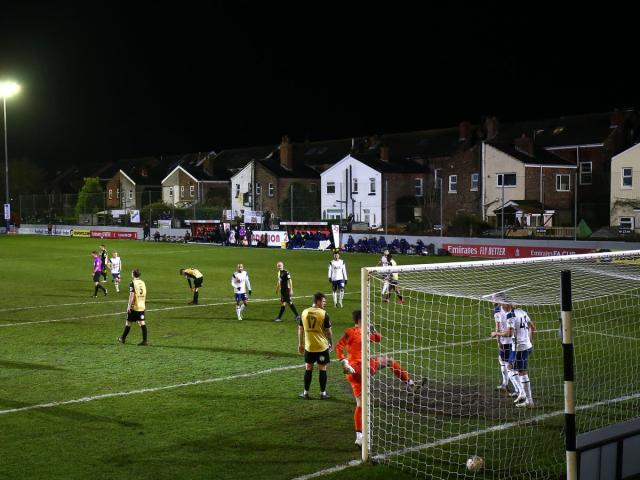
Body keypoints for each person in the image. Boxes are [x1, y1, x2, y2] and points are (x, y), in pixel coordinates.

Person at [336, 310, 414, 447]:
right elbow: (339, 346)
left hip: (352, 374)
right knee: (389, 360)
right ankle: (409, 382)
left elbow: (378, 339)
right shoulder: (351, 332)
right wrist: (344, 362)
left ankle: (359, 437)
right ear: (361, 319)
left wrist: (373, 329)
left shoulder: (361, 332)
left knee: (360, 404)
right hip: (362, 367)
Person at [298, 292, 333, 400]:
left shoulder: (304, 312)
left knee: (308, 368)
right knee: (322, 368)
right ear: (317, 301)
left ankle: (305, 393)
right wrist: (331, 342)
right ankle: (322, 393)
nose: (324, 303)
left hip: (309, 347)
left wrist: (300, 344)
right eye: (323, 301)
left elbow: (300, 329)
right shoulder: (323, 314)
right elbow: (329, 332)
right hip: (322, 347)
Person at [504, 302, 536, 408]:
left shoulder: (510, 315)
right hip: (524, 345)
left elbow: (509, 333)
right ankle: (522, 393)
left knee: (522, 372)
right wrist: (530, 341)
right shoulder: (522, 311)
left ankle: (529, 401)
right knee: (509, 366)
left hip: (519, 348)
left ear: (508, 305)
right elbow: (532, 326)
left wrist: (497, 333)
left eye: (501, 304)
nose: (501, 307)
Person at [490, 302, 522, 399]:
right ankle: (505, 384)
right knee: (503, 361)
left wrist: (498, 340)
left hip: (507, 341)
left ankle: (519, 390)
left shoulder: (498, 311)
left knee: (510, 366)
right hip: (515, 341)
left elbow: (498, 327)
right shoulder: (516, 311)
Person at [117, 268, 148, 346]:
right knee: (142, 323)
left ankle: (122, 338)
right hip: (142, 306)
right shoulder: (143, 282)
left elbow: (132, 295)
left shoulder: (133, 283)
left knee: (128, 322)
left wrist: (128, 306)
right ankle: (145, 341)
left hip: (134, 307)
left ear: (133, 274)